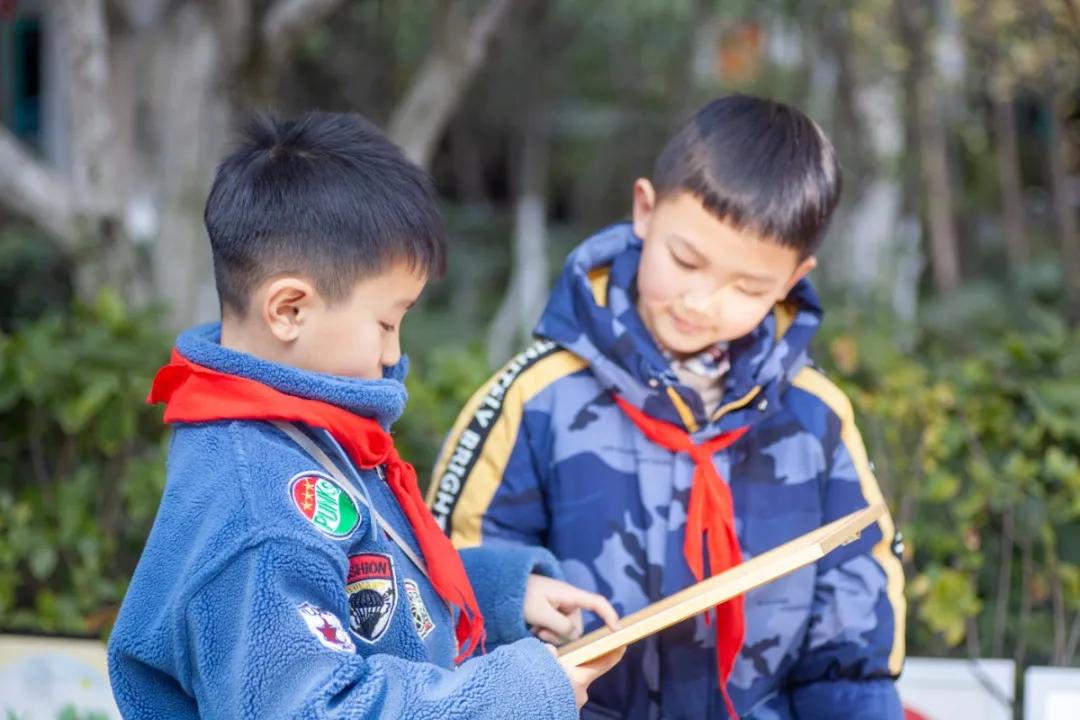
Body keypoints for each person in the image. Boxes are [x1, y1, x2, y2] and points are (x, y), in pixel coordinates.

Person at [107, 111, 623, 719]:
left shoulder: (302, 433)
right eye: (385, 322)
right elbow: (317, 709)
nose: (394, 353)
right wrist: (518, 695)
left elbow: (362, 591)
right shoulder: (259, 511)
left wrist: (498, 594)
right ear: (289, 309)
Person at [430, 95, 906, 719]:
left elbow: (852, 637)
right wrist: (516, 592)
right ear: (645, 211)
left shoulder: (815, 420)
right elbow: (444, 584)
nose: (702, 301)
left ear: (793, 279)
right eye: (686, 261)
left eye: (748, 287)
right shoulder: (536, 397)